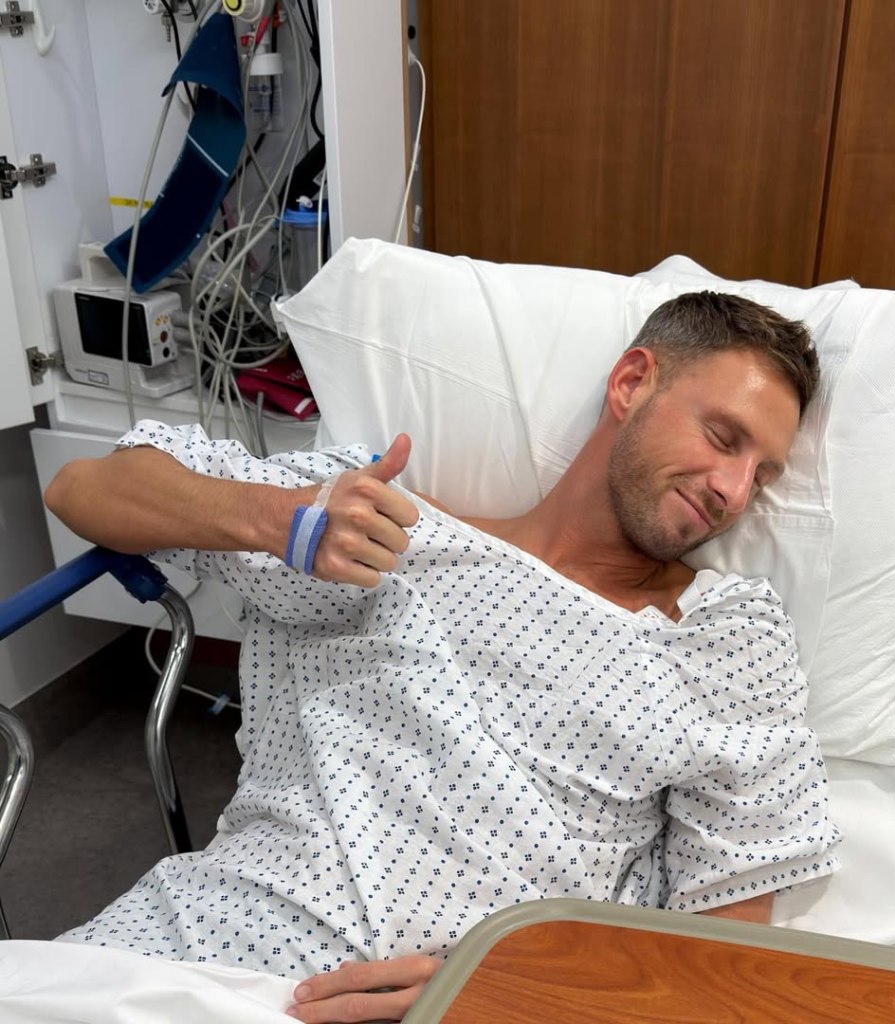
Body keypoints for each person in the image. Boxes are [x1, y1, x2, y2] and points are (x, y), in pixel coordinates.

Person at [44, 291, 839, 1023]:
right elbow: (84, 489)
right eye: (723, 439)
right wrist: (282, 520)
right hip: (204, 945)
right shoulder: (375, 525)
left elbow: (722, 954)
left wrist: (513, 992)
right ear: (633, 383)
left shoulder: (723, 638)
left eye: (762, 476)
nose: (735, 492)